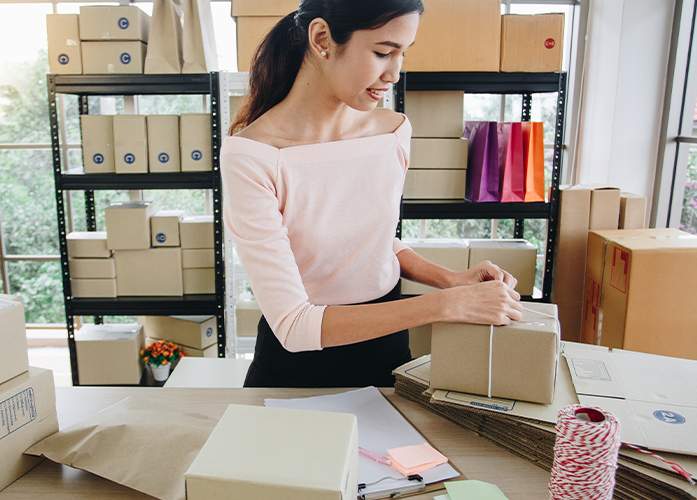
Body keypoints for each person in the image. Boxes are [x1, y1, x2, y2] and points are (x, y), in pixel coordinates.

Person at [222, 0, 524, 389]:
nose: (395, 73)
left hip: (390, 358)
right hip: (294, 373)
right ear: (321, 39)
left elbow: (376, 241)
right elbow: (294, 325)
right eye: (383, 52)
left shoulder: (392, 132)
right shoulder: (252, 155)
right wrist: (448, 305)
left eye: (402, 54)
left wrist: (451, 280)